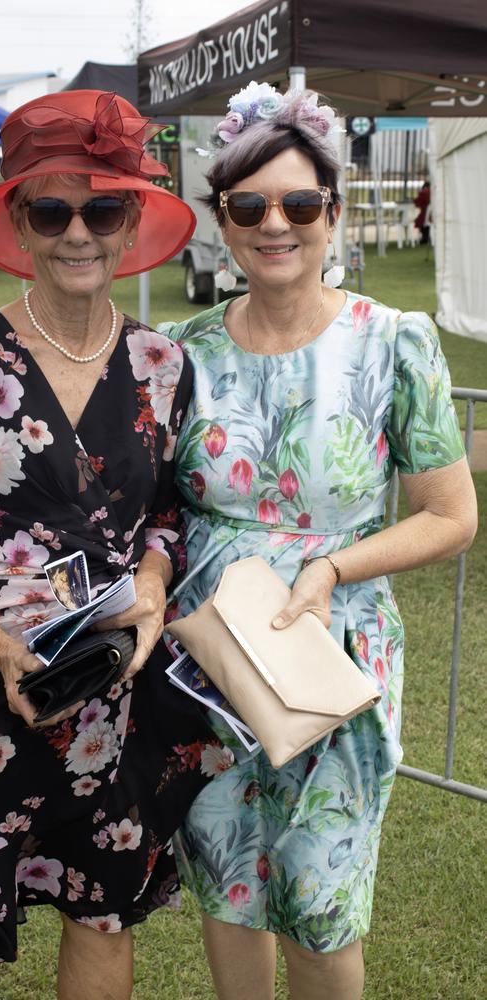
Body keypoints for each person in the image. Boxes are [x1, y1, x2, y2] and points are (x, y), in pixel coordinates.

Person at [0, 90, 222, 1000]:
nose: (77, 234)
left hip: (108, 706)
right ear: (19, 225)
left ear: (130, 218)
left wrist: (148, 585)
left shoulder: (163, 365)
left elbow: (170, 513)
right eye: (51, 210)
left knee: (101, 914)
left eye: (101, 208)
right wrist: (2, 648)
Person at [164, 84, 477, 1000]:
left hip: (332, 653)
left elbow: (451, 514)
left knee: (318, 889)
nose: (277, 225)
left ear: (334, 216)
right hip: (213, 658)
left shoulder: (395, 344)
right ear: (221, 221)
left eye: (300, 204)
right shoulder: (183, 353)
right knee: (226, 877)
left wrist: (334, 565)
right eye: (249, 206)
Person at [414, 179, 431, 245]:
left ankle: (425, 238)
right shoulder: (432, 192)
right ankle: (425, 237)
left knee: (421, 221)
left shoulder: (424, 192)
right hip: (429, 214)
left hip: (425, 213)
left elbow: (417, 202)